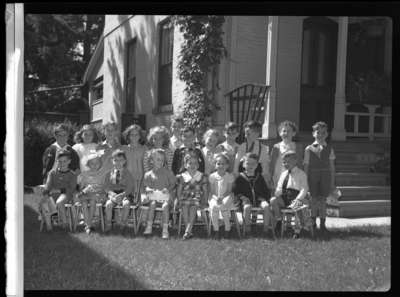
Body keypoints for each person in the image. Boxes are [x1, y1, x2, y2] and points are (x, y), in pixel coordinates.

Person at [303, 121, 336, 233]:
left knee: (322, 200)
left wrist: (332, 182)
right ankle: (313, 223)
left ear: (327, 134)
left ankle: (323, 224)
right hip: (312, 176)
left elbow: (332, 167)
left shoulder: (329, 148)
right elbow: (306, 166)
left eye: (323, 132)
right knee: (313, 200)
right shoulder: (308, 148)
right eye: (318, 132)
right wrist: (305, 182)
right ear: (313, 134)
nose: (320, 135)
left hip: (325, 176)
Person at [270, 150, 310, 238]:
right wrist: (277, 194)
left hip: (296, 196)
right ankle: (279, 220)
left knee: (298, 206)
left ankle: (297, 231)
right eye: (284, 162)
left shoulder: (301, 174)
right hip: (285, 197)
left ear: (295, 161)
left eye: (289, 162)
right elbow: (280, 187)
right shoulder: (283, 174)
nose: (286, 164)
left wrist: (298, 199)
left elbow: (304, 188)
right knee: (273, 201)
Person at [232, 153, 272, 236]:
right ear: (243, 164)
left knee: (266, 206)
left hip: (258, 199)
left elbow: (265, 190)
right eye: (248, 163)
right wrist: (242, 197)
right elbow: (236, 192)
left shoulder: (259, 177)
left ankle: (266, 228)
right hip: (245, 201)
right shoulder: (240, 177)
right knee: (247, 207)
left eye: (253, 164)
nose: (250, 166)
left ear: (257, 165)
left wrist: (264, 198)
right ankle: (247, 228)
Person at [142, 149, 177, 239]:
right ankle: (149, 226)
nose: (160, 162)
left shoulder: (168, 172)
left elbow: (173, 183)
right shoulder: (148, 174)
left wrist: (168, 189)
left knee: (165, 206)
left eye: (162, 160)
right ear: (151, 161)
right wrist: (149, 189)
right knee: (152, 204)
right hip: (154, 196)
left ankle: (165, 229)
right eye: (158, 159)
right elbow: (146, 186)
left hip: (166, 196)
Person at [40, 149, 78, 231]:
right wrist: (46, 193)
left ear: (69, 161)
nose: (62, 163)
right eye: (60, 161)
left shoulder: (72, 174)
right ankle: (49, 226)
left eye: (64, 161)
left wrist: (59, 191)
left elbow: (72, 188)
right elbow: (48, 185)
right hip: (52, 195)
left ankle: (64, 223)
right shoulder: (52, 173)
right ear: (57, 161)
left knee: (59, 202)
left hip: (66, 195)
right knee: (44, 202)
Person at [176, 151, 208, 239]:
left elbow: (205, 190)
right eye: (190, 163)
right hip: (185, 196)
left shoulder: (201, 176)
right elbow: (179, 190)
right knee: (185, 208)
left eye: (195, 163)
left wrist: (205, 200)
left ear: (198, 165)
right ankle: (188, 230)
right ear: (185, 165)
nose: (193, 165)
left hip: (197, 197)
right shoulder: (182, 176)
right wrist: (178, 200)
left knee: (193, 207)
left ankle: (187, 230)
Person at [234, 120, 272, 188]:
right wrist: (236, 176)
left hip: (256, 180)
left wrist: (266, 182)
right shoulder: (242, 146)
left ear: (257, 133)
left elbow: (265, 167)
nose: (246, 136)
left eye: (248, 134)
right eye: (245, 133)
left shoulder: (263, 148)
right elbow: (236, 163)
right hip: (243, 178)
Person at [103, 149, 134, 233]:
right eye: (115, 160)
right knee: (108, 204)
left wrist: (122, 195)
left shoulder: (127, 173)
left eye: (120, 160)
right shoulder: (108, 173)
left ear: (124, 161)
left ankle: (123, 223)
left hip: (125, 194)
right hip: (112, 194)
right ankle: (108, 224)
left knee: (126, 204)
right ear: (112, 161)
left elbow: (130, 187)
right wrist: (112, 194)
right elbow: (106, 187)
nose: (118, 162)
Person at [76, 153, 108, 234]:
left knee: (92, 201)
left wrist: (97, 189)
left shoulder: (103, 174)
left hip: (98, 195)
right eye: (92, 163)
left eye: (97, 163)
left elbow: (105, 188)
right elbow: (81, 188)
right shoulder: (84, 174)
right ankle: (89, 225)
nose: (94, 165)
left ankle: (88, 225)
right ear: (88, 165)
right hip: (87, 195)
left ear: (100, 164)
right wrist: (85, 189)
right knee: (84, 202)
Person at [208, 153, 235, 239]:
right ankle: (216, 230)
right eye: (218, 163)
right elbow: (212, 191)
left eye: (223, 164)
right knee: (215, 207)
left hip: (227, 195)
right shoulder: (212, 176)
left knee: (223, 206)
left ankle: (227, 228)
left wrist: (222, 197)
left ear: (227, 165)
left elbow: (229, 190)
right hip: (214, 196)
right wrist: (217, 198)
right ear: (215, 165)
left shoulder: (229, 176)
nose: (221, 165)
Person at [269, 120, 303, 189]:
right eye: (284, 131)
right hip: (279, 174)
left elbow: (299, 162)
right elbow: (272, 163)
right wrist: (270, 177)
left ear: (294, 133)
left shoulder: (298, 146)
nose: (286, 133)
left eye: (289, 131)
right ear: (279, 133)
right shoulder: (276, 147)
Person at [122, 124, 147, 199]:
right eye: (132, 134)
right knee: (127, 202)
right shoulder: (123, 148)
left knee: (139, 203)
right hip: (127, 179)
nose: (134, 136)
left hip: (140, 179)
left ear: (140, 136)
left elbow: (147, 165)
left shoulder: (145, 148)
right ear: (128, 136)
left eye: (136, 134)